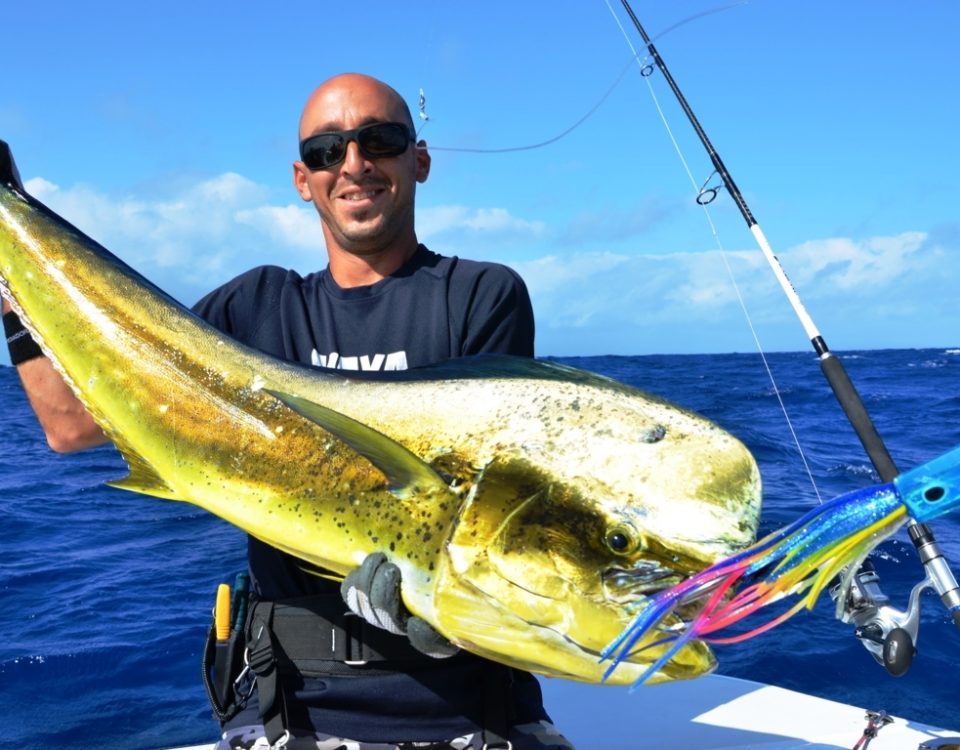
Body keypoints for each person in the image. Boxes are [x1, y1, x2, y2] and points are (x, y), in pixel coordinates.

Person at [3, 73, 573, 750]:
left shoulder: (481, 296)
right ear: (303, 179)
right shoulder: (254, 309)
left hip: (473, 702)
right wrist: (17, 289)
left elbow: (494, 505)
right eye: (329, 151)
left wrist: (440, 598)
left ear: (418, 161)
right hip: (291, 703)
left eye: (379, 140)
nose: (354, 164)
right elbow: (70, 424)